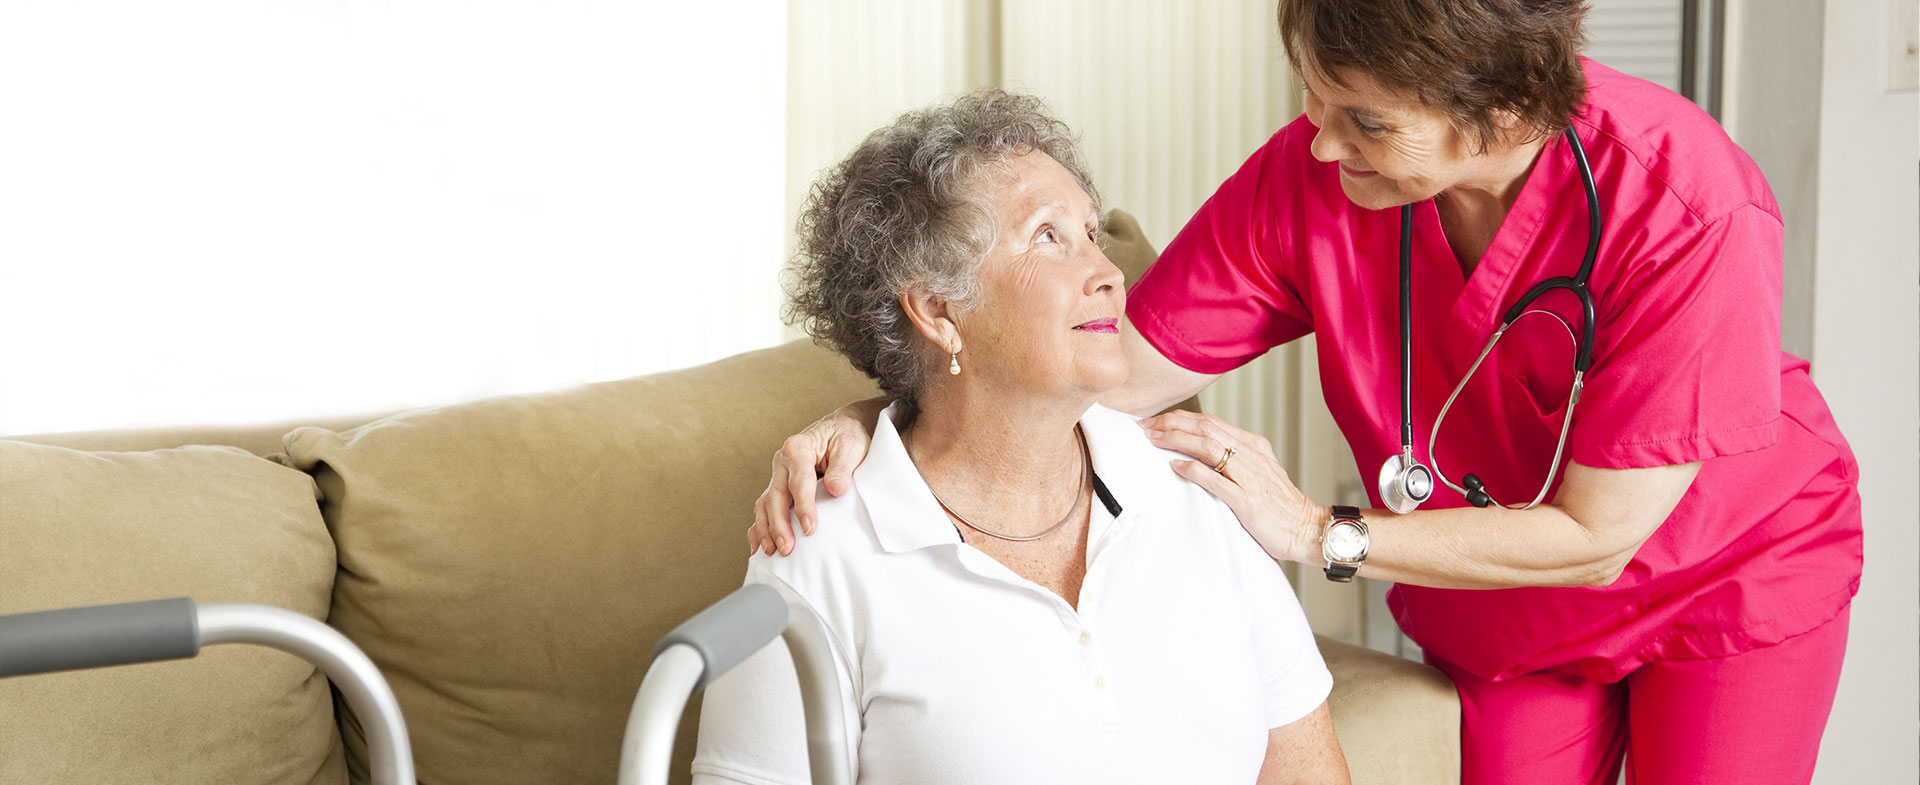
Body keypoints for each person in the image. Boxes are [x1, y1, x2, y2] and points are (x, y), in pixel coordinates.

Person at [747, 2, 1862, 783]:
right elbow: (1108, 365)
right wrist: (880, 416)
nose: (1325, 143)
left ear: (1500, 109)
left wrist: (1316, 532)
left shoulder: (1686, 204)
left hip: (1724, 580)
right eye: (1319, 102)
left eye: (1367, 119)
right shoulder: (1315, 177)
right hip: (1510, 607)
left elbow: (1597, 534)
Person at [694, 89, 1349, 785]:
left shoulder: (1196, 487)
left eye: (1093, 234)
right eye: (1048, 236)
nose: (1109, 272)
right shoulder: (818, 550)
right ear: (939, 309)